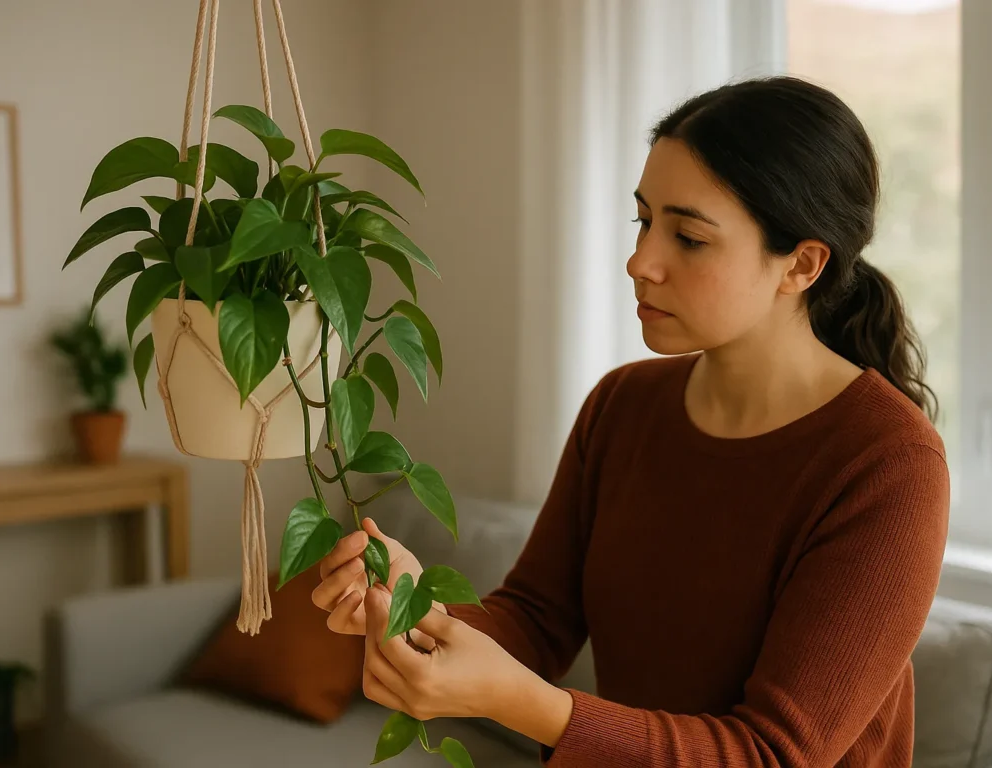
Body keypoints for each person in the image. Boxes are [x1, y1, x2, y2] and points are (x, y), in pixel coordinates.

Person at [312, 75, 950, 767]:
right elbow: (536, 616)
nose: (640, 262)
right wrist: (413, 607)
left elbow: (774, 754)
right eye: (644, 221)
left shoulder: (887, 464)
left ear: (801, 264)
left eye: (690, 237)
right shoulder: (623, 407)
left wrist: (521, 702)